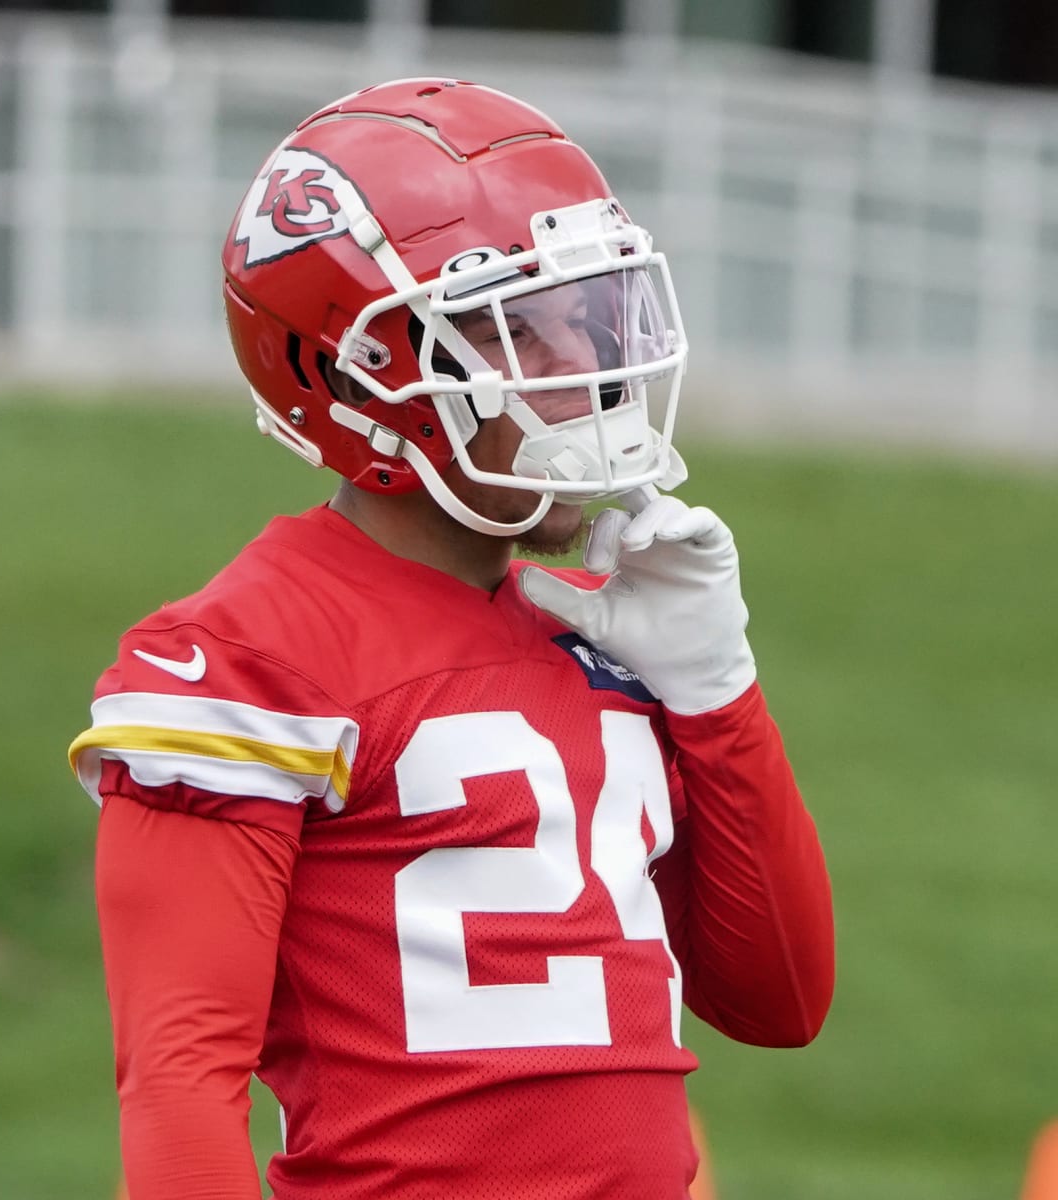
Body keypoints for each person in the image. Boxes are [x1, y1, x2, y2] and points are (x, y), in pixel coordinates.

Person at [69, 76, 834, 1200]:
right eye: (520, 329)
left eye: (586, 313)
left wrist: (719, 691)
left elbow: (783, 1001)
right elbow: (180, 1085)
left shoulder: (604, 633)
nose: (584, 368)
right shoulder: (249, 655)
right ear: (360, 373)